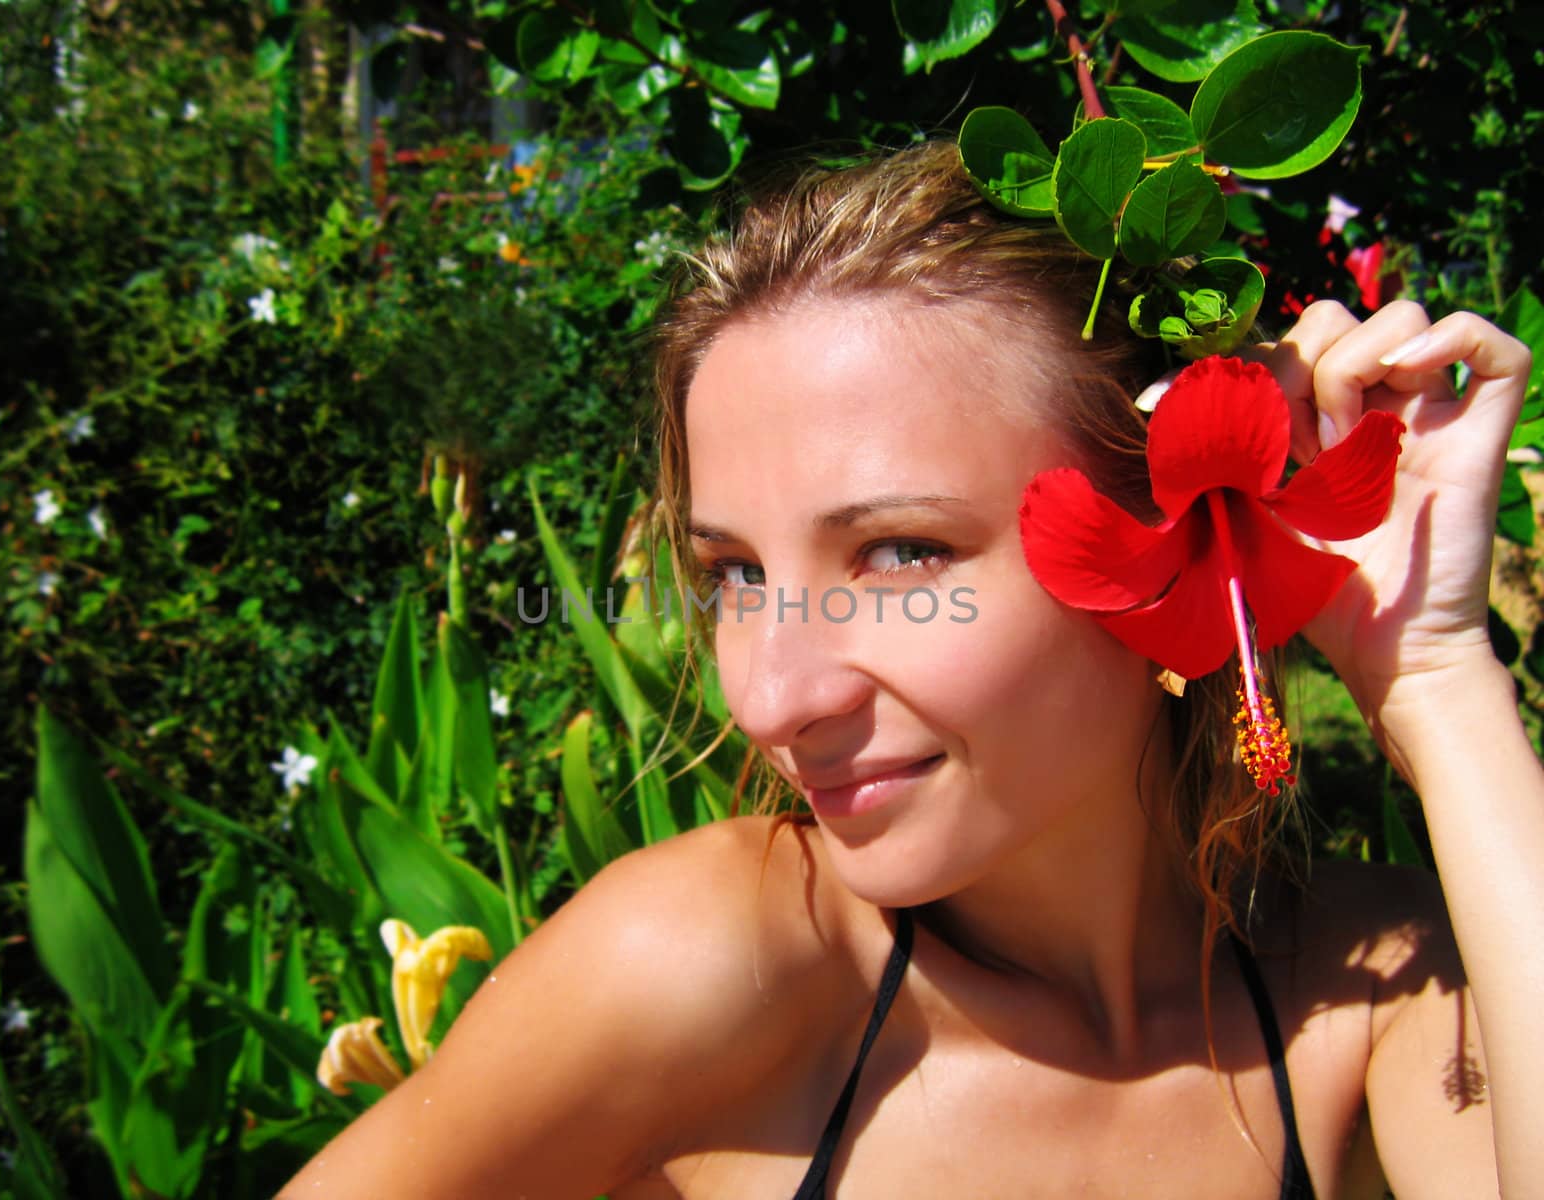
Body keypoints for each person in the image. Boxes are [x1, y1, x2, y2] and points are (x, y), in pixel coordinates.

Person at [280, 141, 1541, 1198]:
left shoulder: (1370, 989)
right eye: (732, 575)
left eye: (898, 553)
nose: (770, 699)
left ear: (1159, 544)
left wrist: (1434, 677)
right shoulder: (714, 972)